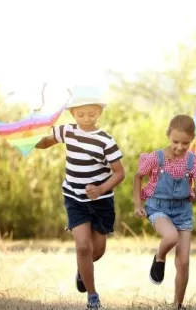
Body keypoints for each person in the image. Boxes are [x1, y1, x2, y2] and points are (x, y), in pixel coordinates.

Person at [35, 86, 125, 310]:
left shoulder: (106, 140)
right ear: (73, 113)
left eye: (91, 114)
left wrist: (101, 189)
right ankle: (92, 296)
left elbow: (120, 172)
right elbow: (46, 142)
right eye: (81, 114)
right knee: (83, 247)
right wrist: (29, 139)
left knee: (98, 250)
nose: (86, 119)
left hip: (102, 200)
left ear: (99, 113)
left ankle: (82, 270)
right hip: (74, 197)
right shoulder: (67, 131)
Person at [134, 114, 196, 310]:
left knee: (183, 261)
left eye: (185, 143)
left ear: (192, 139)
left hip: (183, 210)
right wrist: (138, 204)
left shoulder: (194, 162)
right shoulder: (156, 158)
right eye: (175, 141)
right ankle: (159, 258)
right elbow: (138, 177)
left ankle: (178, 304)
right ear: (168, 135)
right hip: (158, 206)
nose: (179, 147)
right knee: (170, 236)